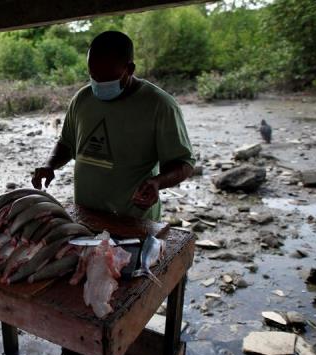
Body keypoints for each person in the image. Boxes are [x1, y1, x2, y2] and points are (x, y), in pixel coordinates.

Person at [32, 31, 195, 220]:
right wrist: (50, 165)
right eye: (94, 77)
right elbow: (67, 143)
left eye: (108, 79)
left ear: (130, 68)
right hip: (86, 215)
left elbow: (184, 163)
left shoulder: (160, 105)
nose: (99, 85)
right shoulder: (82, 99)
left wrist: (158, 182)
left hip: (134, 220)